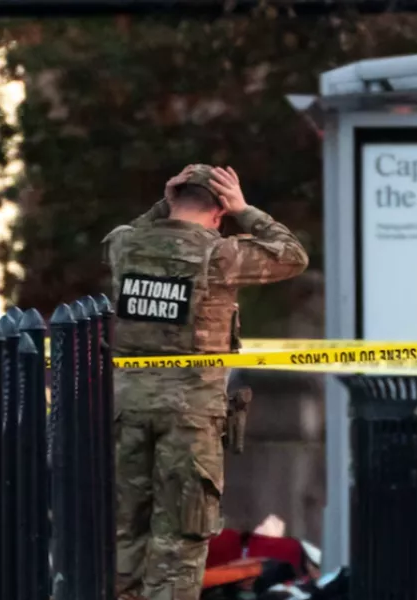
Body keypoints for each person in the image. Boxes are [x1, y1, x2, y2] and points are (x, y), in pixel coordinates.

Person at [104, 164, 309, 600]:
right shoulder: (219, 255)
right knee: (181, 535)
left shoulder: (124, 244)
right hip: (190, 416)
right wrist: (245, 209)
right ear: (219, 213)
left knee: (125, 530)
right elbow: (292, 255)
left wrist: (164, 205)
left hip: (128, 408)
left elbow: (140, 230)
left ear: (173, 200)